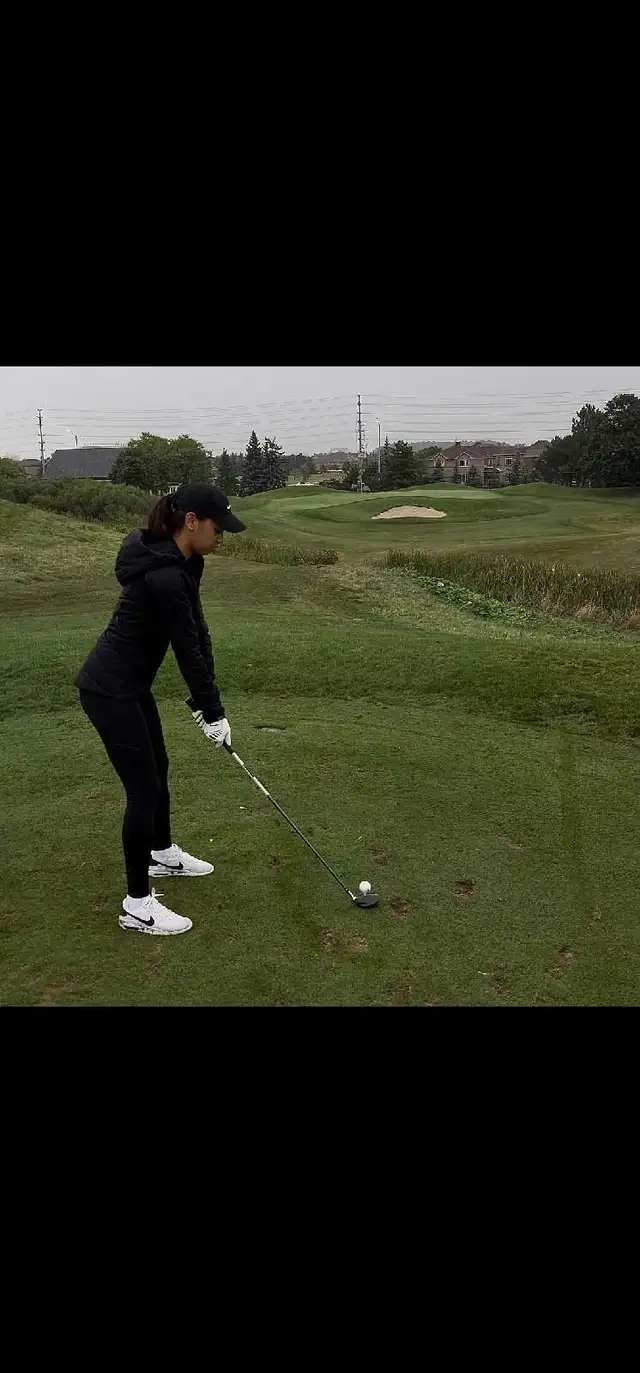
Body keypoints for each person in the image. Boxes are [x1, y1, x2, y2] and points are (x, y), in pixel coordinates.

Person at [75, 482, 246, 936]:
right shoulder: (163, 575)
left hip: (131, 686)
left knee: (160, 767)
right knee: (143, 790)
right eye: (218, 526)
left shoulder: (189, 562)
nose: (222, 535)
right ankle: (137, 905)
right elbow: (184, 648)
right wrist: (211, 711)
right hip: (108, 689)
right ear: (191, 521)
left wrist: (207, 700)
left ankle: (161, 854)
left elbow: (197, 631)